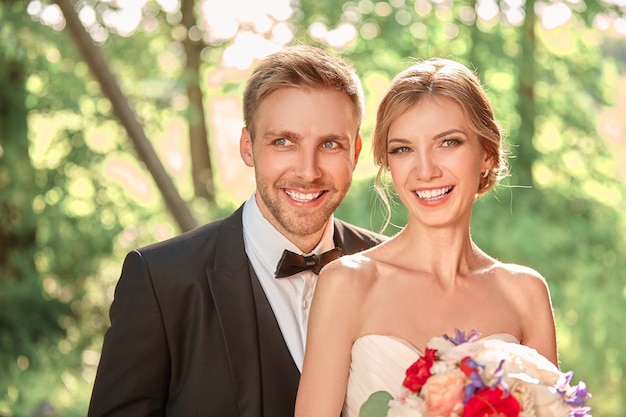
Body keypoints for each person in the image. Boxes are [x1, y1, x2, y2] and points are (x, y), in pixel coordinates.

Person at [87, 44, 386, 417]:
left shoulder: (395, 270)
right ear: (248, 147)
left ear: (355, 152)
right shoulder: (161, 282)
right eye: (283, 142)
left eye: (329, 144)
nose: (308, 171)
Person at [294, 57, 559, 417]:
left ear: (487, 153)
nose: (425, 170)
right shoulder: (347, 283)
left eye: (448, 143)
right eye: (403, 149)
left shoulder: (525, 293)